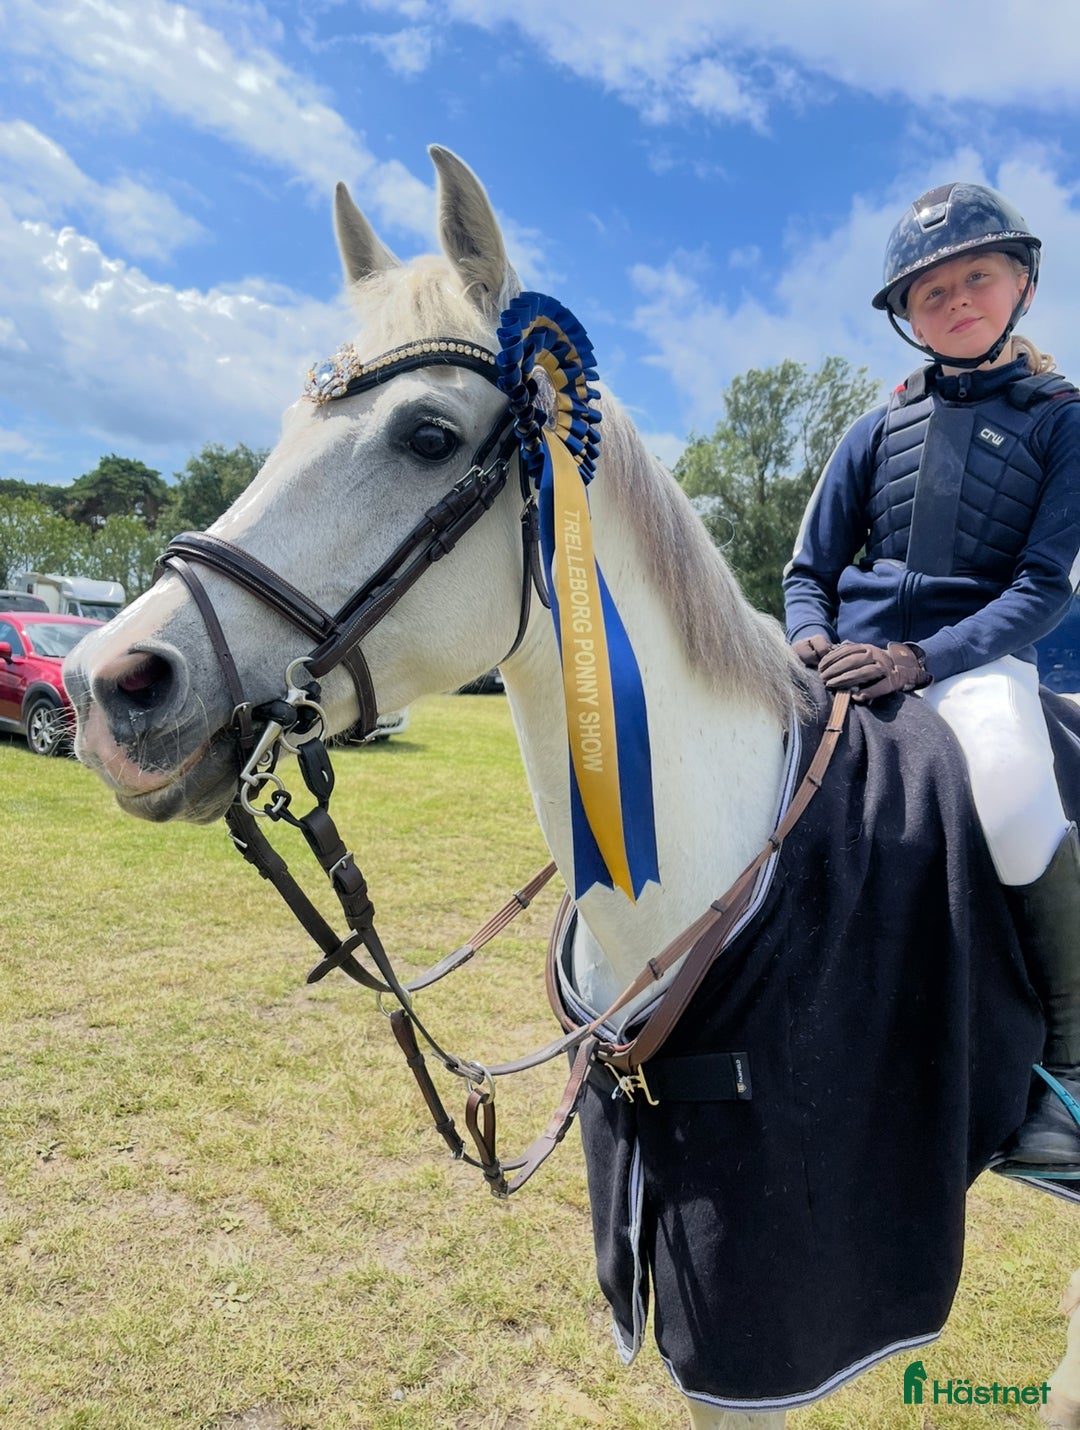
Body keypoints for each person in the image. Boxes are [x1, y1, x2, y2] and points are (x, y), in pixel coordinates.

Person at [783, 181, 1080, 1179]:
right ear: (907, 314)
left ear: (1021, 283)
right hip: (845, 662)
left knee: (1008, 784)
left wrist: (920, 659)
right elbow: (806, 572)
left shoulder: (1060, 418)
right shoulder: (875, 427)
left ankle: (1068, 1071)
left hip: (972, 666)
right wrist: (812, 642)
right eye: (931, 289)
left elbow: (1043, 586)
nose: (955, 299)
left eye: (976, 276)